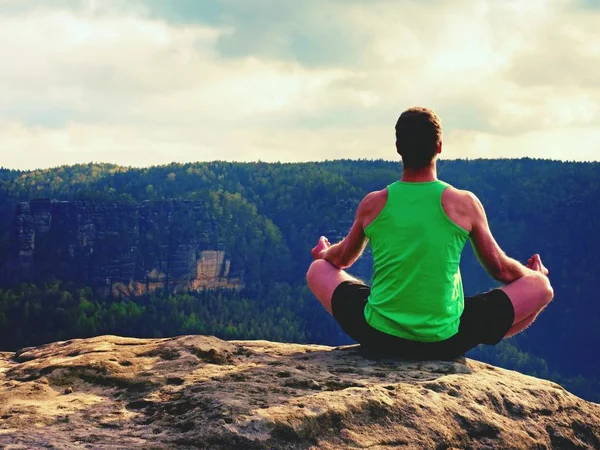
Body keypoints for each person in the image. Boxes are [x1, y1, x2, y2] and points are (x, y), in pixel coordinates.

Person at [306, 107, 554, 359]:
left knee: (318, 269)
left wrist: (325, 253)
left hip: (379, 337)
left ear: (398, 147)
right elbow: (501, 269)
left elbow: (342, 259)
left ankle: (394, 324)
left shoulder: (374, 203)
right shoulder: (464, 204)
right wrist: (532, 275)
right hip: (445, 341)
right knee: (542, 287)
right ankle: (474, 337)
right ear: (439, 147)